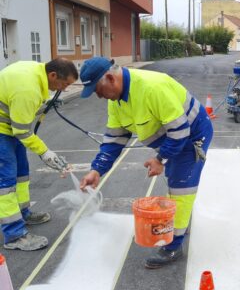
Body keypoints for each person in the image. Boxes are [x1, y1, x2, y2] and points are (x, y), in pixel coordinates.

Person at [78, 57, 213, 269]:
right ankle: (181, 224)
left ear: (111, 78)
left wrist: (161, 159)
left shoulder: (152, 88)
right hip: (172, 139)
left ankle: (174, 246)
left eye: (98, 90)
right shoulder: (117, 101)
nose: (99, 96)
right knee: (175, 181)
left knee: (181, 188)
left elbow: (180, 131)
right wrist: (97, 170)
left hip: (191, 136)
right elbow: (114, 139)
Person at [0, 58, 77, 251]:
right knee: (6, 181)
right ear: (53, 75)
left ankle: (22, 212)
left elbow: (19, 110)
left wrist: (45, 105)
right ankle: (14, 234)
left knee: (22, 172)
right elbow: (23, 131)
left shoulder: (37, 73)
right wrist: (46, 153)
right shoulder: (28, 89)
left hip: (9, 126)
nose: (65, 89)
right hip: (4, 131)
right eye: (65, 84)